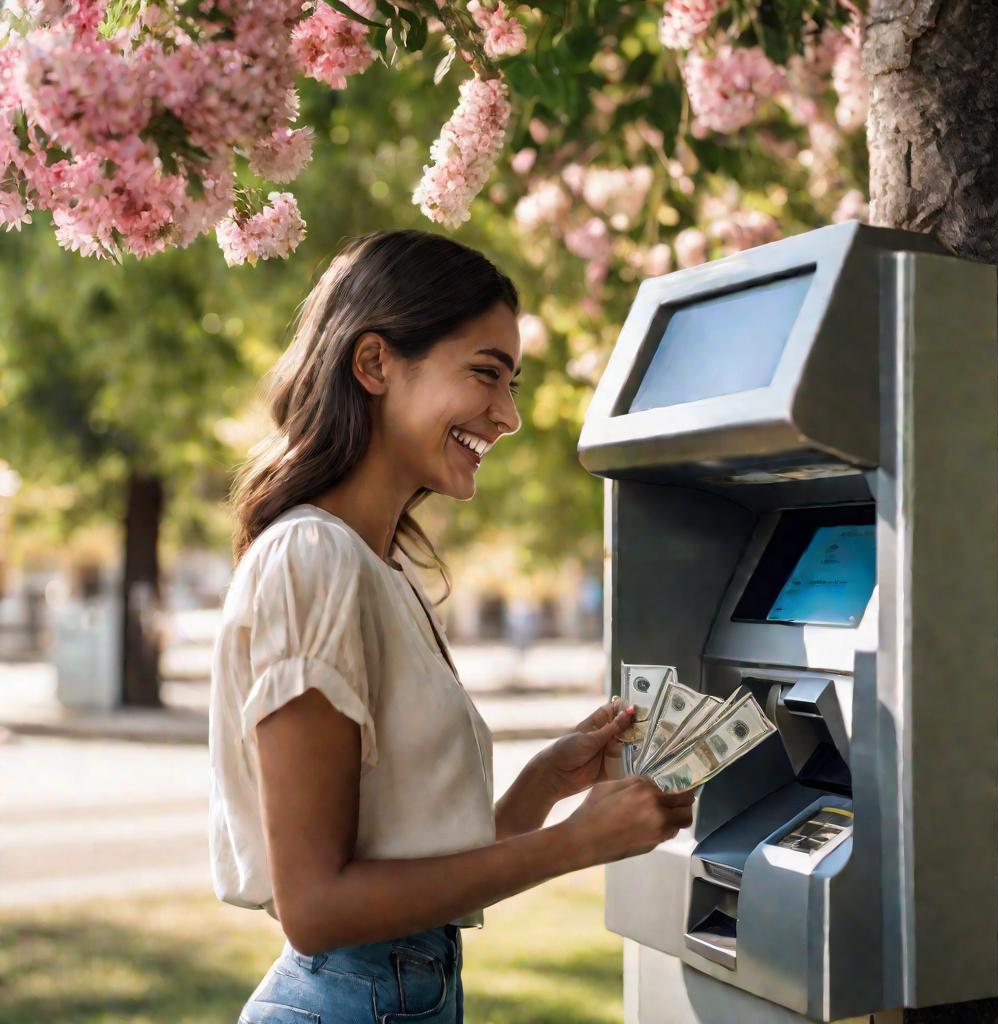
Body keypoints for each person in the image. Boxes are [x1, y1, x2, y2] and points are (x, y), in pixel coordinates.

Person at [208, 229, 695, 1024]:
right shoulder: (311, 560)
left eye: (512, 383)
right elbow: (319, 908)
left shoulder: (376, 571)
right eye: (485, 374)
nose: (507, 415)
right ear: (373, 365)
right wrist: (575, 844)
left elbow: (409, 867)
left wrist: (545, 784)